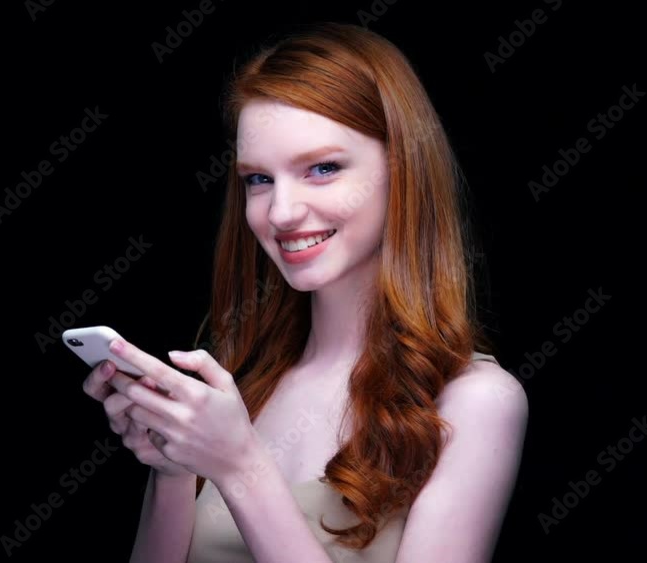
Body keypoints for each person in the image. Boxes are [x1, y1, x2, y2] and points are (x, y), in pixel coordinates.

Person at [83, 21, 528, 563]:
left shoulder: (476, 401)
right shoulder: (246, 383)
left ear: (402, 171)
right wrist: (172, 471)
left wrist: (240, 468)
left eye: (322, 168)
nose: (282, 212)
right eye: (259, 179)